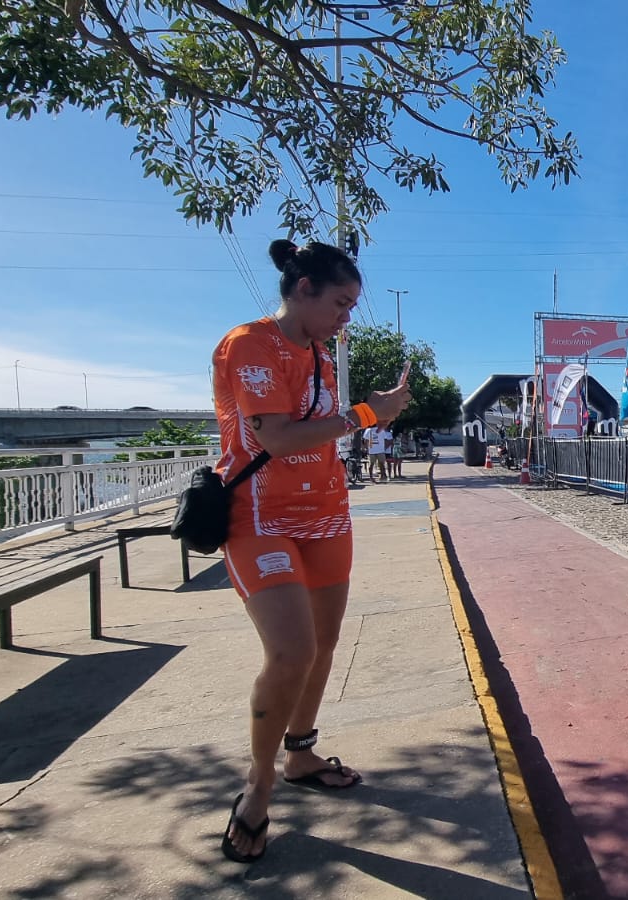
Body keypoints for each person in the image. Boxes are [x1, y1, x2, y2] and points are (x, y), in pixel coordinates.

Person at [212, 239, 411, 863]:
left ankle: (300, 753)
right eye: (341, 303)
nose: (346, 317)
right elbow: (275, 437)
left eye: (352, 306)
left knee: (322, 646)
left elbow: (323, 431)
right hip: (259, 518)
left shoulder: (321, 354)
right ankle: (258, 785)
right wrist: (366, 415)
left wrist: (375, 413)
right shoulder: (248, 345)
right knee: (291, 650)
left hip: (327, 515)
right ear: (302, 291)